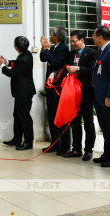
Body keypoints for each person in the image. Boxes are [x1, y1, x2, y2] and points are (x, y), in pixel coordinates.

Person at [62, 30, 97, 161]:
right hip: (72, 94)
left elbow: (93, 71)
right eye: (71, 41)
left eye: (74, 41)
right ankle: (76, 148)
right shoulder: (71, 54)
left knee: (88, 122)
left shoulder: (92, 53)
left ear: (82, 40)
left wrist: (78, 69)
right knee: (74, 122)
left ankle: (89, 150)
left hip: (86, 93)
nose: (72, 44)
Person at [0, 36, 36, 150]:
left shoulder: (24, 58)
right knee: (17, 116)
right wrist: (7, 61)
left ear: (16, 47)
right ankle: (17, 139)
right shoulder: (26, 54)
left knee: (24, 117)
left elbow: (11, 73)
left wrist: (2, 65)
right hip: (22, 92)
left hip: (24, 93)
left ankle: (28, 143)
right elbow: (17, 63)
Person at [91, 25, 110, 168]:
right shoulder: (102, 51)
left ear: (100, 37)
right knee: (105, 127)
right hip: (99, 97)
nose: (92, 37)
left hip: (107, 98)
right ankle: (107, 154)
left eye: (94, 35)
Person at [39, 26, 70, 155]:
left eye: (52, 33)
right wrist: (43, 48)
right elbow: (43, 58)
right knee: (51, 115)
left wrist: (46, 50)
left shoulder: (63, 48)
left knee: (60, 116)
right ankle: (54, 143)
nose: (50, 35)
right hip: (50, 86)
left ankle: (64, 145)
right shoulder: (53, 47)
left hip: (58, 87)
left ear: (57, 36)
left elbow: (55, 62)